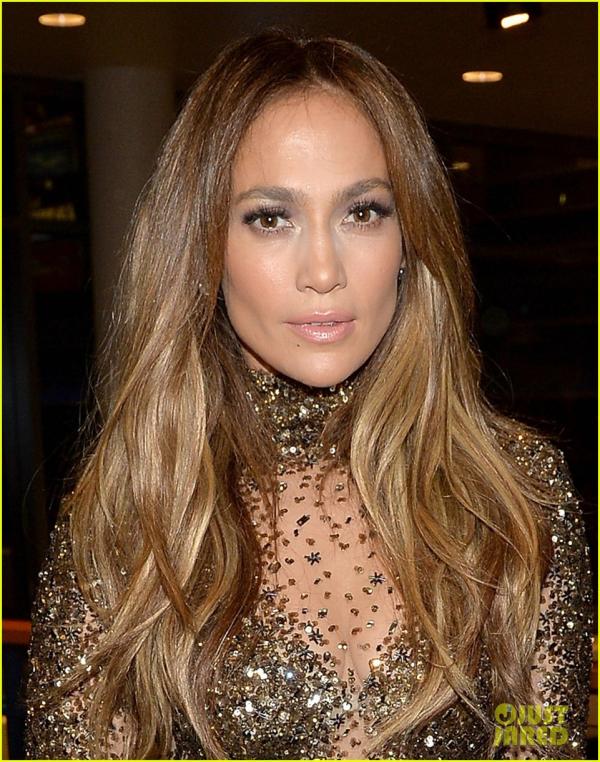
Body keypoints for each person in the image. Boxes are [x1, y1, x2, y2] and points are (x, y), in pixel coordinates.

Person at [23, 27, 594, 761]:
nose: (323, 270)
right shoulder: (131, 517)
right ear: (204, 246)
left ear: (410, 238)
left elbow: (539, 739)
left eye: (363, 212)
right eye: (270, 218)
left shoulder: (516, 494)